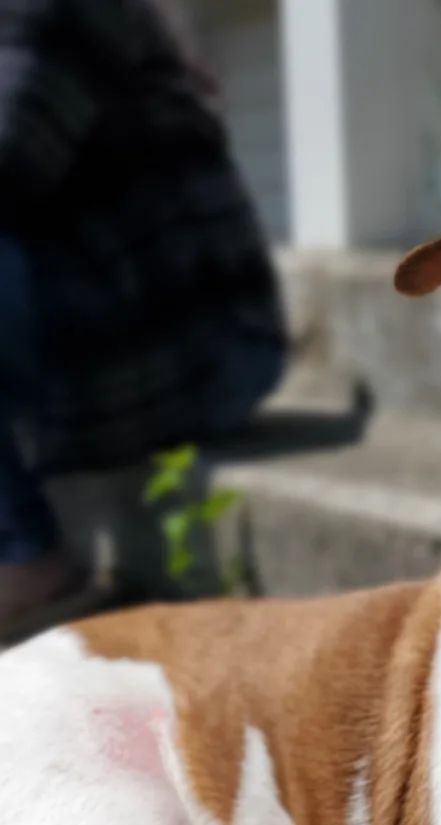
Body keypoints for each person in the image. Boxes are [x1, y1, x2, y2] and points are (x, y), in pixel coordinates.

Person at [0, 0, 285, 637]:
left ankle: (25, 553)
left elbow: (11, 151)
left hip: (201, 357)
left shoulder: (49, 13)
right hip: (131, 346)